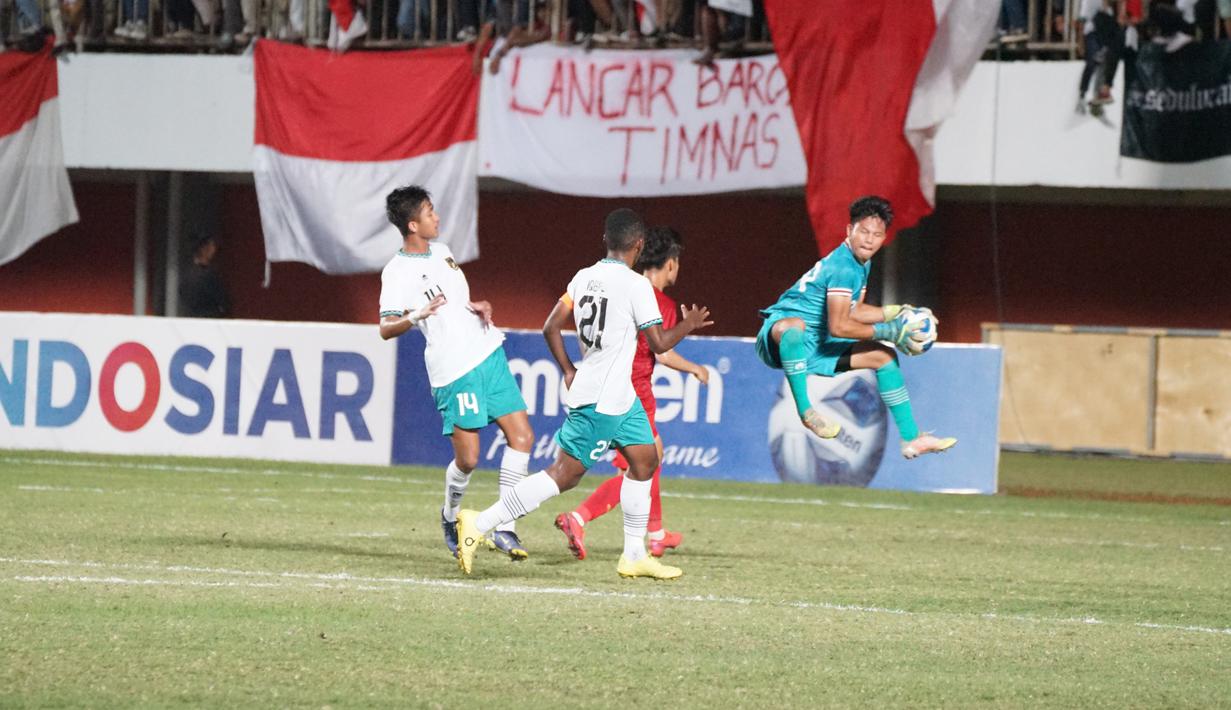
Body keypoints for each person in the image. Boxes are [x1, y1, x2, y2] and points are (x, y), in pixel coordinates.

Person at [455, 208, 713, 580]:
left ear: (605, 240)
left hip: (621, 397)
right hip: (601, 401)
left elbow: (550, 326)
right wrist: (687, 325)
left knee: (644, 461)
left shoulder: (583, 277)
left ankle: (635, 554)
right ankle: (480, 522)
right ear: (638, 246)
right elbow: (658, 342)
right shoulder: (636, 285)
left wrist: (568, 370)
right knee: (564, 475)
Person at [378, 185, 535, 561]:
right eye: (430, 212)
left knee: (523, 437)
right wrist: (416, 316)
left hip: (487, 352)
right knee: (468, 460)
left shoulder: (444, 253)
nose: (438, 217)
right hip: (455, 369)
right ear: (413, 224)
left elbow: (454, 300)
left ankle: (506, 528)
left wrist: (476, 305)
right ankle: (450, 515)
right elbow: (385, 327)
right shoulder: (397, 272)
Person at [754, 195, 956, 460]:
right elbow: (839, 326)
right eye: (864, 232)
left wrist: (897, 311)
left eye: (877, 234)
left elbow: (855, 310)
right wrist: (890, 332)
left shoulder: (862, 263)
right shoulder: (843, 267)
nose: (869, 239)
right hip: (779, 338)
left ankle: (911, 437)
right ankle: (807, 412)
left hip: (817, 343)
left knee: (884, 358)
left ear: (884, 238)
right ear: (849, 230)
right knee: (795, 325)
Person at [554, 226, 707, 561]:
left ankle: (655, 533)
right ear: (671, 263)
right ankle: (578, 518)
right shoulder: (656, 299)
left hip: (614, 384)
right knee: (637, 469)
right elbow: (662, 352)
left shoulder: (623, 287)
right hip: (631, 392)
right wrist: (695, 367)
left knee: (651, 460)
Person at [179, 236, 230, 318]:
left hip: (189, 320)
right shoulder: (210, 276)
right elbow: (223, 302)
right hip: (209, 320)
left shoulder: (186, 275)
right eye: (212, 246)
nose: (214, 250)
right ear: (204, 249)